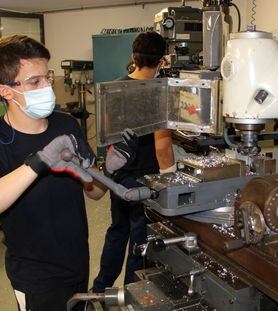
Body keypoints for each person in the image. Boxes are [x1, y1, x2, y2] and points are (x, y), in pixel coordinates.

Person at [0, 35, 134, 311]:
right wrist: (37, 163)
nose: (47, 87)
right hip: (35, 276)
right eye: (34, 82)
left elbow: (95, 193)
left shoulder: (65, 124)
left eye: (47, 77)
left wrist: (105, 173)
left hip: (78, 260)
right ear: (5, 91)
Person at [92, 31, 175, 293]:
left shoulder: (114, 89)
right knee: (140, 239)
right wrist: (171, 180)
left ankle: (101, 289)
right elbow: (162, 149)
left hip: (118, 177)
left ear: (133, 57)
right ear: (161, 61)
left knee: (117, 232)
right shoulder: (158, 95)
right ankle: (131, 294)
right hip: (144, 182)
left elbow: (107, 138)